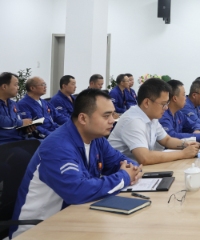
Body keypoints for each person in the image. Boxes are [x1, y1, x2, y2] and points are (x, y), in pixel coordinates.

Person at [10, 89, 142, 238]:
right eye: (106, 116)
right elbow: (78, 191)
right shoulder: (58, 147)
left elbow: (123, 162)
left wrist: (132, 170)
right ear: (83, 118)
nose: (112, 120)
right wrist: (124, 176)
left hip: (73, 217)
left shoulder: (96, 139)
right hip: (37, 230)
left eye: (113, 114)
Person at [108, 79, 200, 165]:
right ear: (146, 103)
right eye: (163, 104)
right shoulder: (133, 121)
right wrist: (183, 154)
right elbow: (144, 158)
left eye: (167, 103)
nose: (166, 108)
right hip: (119, 171)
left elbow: (166, 140)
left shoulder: (152, 117)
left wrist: (185, 144)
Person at [159, 80, 200, 144]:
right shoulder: (163, 115)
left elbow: (195, 124)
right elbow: (172, 136)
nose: (186, 98)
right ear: (175, 98)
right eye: (183, 95)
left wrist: (198, 130)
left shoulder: (178, 113)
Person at [0, 72, 33, 144]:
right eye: (15, 84)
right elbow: (2, 121)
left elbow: (17, 123)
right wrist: (21, 123)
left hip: (19, 140)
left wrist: (25, 129)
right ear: (4, 87)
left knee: (45, 144)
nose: (18, 87)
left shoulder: (13, 104)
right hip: (5, 143)